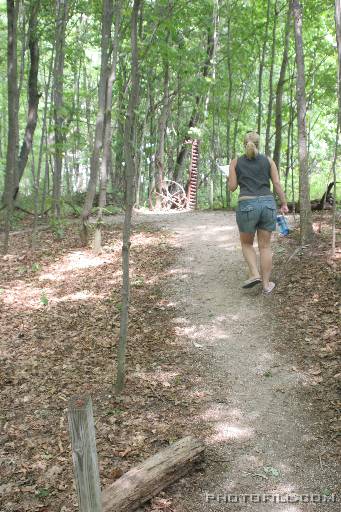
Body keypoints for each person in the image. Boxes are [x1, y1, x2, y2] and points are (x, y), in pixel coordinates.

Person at [228, 131, 289, 294]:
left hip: (247, 204)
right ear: (258, 144)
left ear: (244, 144)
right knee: (265, 246)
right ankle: (266, 285)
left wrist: (232, 173)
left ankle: (254, 274)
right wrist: (283, 203)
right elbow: (276, 183)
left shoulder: (235, 162)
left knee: (247, 243)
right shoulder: (269, 161)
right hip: (268, 204)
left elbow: (232, 187)